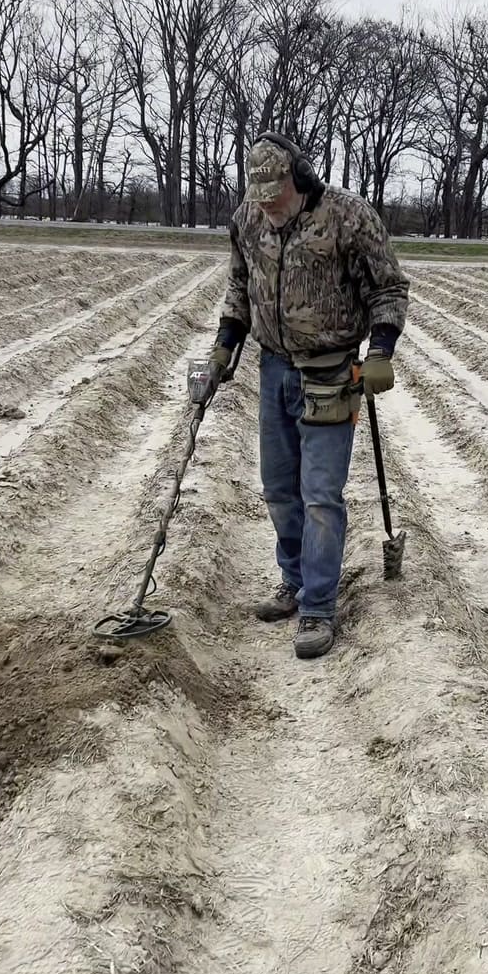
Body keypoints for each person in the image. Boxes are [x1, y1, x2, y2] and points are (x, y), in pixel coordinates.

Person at [189, 133, 409, 660]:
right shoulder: (246, 219)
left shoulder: (348, 217)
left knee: (319, 496)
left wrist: (380, 350)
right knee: (278, 489)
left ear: (299, 179)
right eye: (258, 193)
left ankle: (318, 605)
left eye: (275, 193)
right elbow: (240, 287)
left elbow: (388, 287)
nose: (267, 205)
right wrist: (223, 347)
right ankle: (293, 580)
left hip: (332, 372)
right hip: (275, 369)